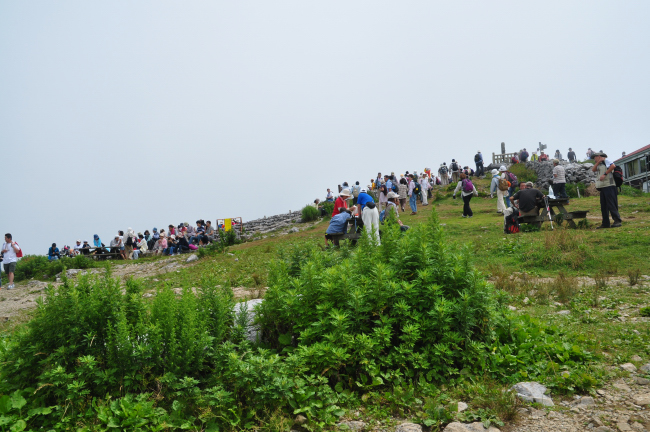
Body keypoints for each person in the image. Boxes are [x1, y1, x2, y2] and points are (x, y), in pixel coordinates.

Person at [591, 152, 622, 229]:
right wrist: (598, 162)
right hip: (603, 187)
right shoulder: (599, 164)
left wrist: (604, 174)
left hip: (609, 185)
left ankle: (617, 221)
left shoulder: (607, 160)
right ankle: (605, 223)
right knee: (604, 206)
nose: (594, 159)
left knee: (611, 204)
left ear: (598, 156)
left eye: (595, 157)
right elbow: (593, 170)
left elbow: (613, 166)